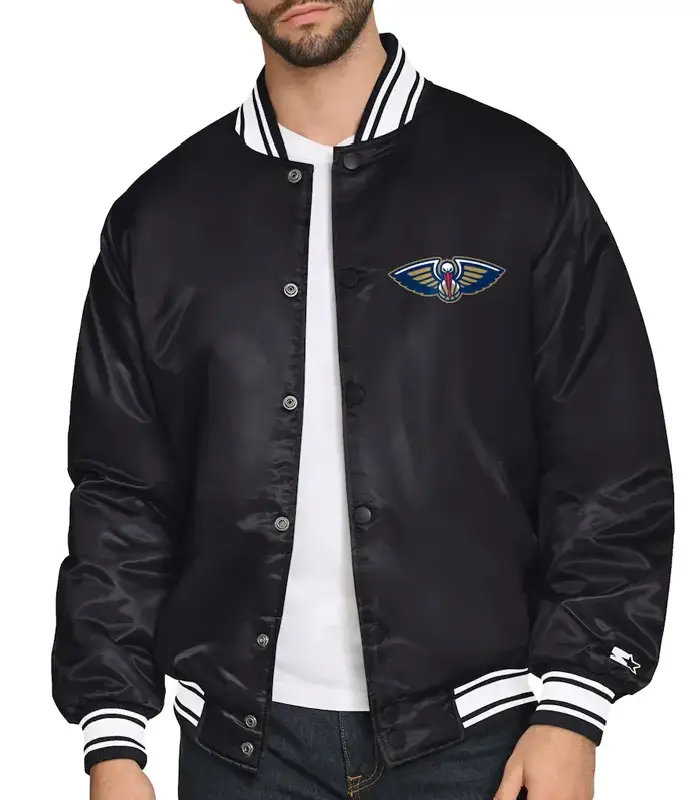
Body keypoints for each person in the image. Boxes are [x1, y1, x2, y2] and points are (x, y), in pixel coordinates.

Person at [51, 2, 675, 799]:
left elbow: (609, 460)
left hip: (479, 743)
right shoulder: (158, 219)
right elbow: (121, 494)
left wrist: (575, 706)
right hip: (237, 754)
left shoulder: (519, 181)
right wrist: (112, 738)